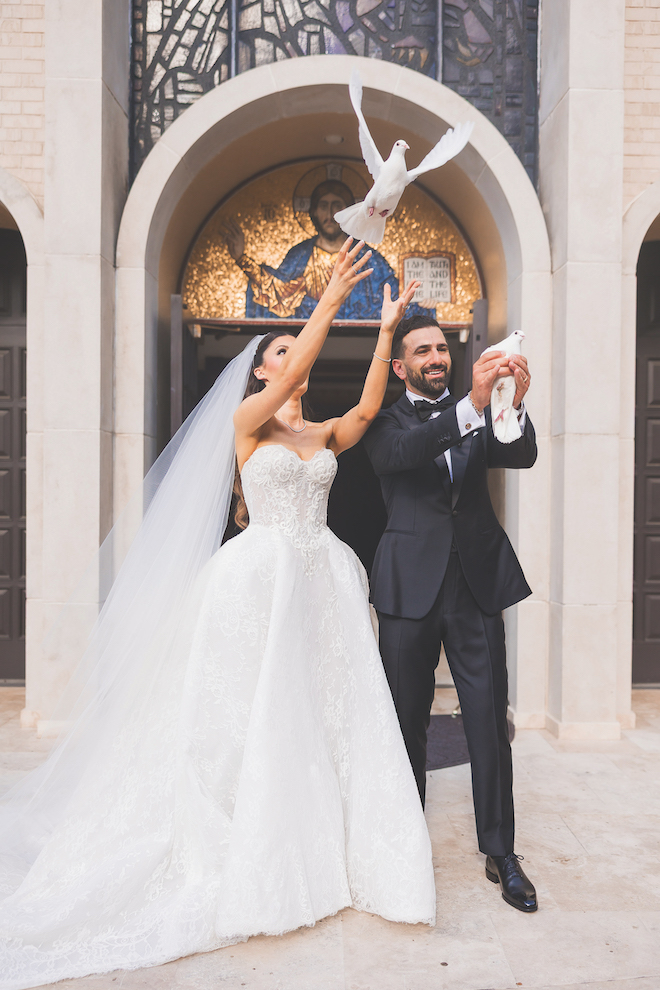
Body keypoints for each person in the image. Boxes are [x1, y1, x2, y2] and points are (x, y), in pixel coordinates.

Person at [0, 241, 435, 990]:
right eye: (280, 350)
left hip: (322, 582)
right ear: (264, 369)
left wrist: (386, 330)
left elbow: (366, 410)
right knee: (249, 713)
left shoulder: (316, 433)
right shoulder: (248, 422)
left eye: (293, 348)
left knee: (326, 712)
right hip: (256, 579)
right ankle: (247, 838)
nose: (292, 359)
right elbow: (301, 368)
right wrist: (329, 299)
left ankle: (330, 844)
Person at [362, 314, 539, 914]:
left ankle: (501, 851)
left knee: (489, 722)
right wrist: (472, 404)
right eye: (423, 350)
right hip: (409, 589)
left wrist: (510, 403)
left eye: (442, 347)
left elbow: (524, 457)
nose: (436, 356)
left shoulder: (481, 410)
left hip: (475, 586)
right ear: (400, 364)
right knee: (405, 723)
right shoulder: (383, 421)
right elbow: (405, 455)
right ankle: (404, 846)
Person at [223, 179, 434, 321]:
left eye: (337, 206)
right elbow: (278, 291)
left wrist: (420, 305)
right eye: (323, 206)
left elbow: (390, 298)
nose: (330, 213)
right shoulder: (300, 255)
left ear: (348, 212)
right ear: (313, 211)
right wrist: (241, 258)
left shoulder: (368, 257)